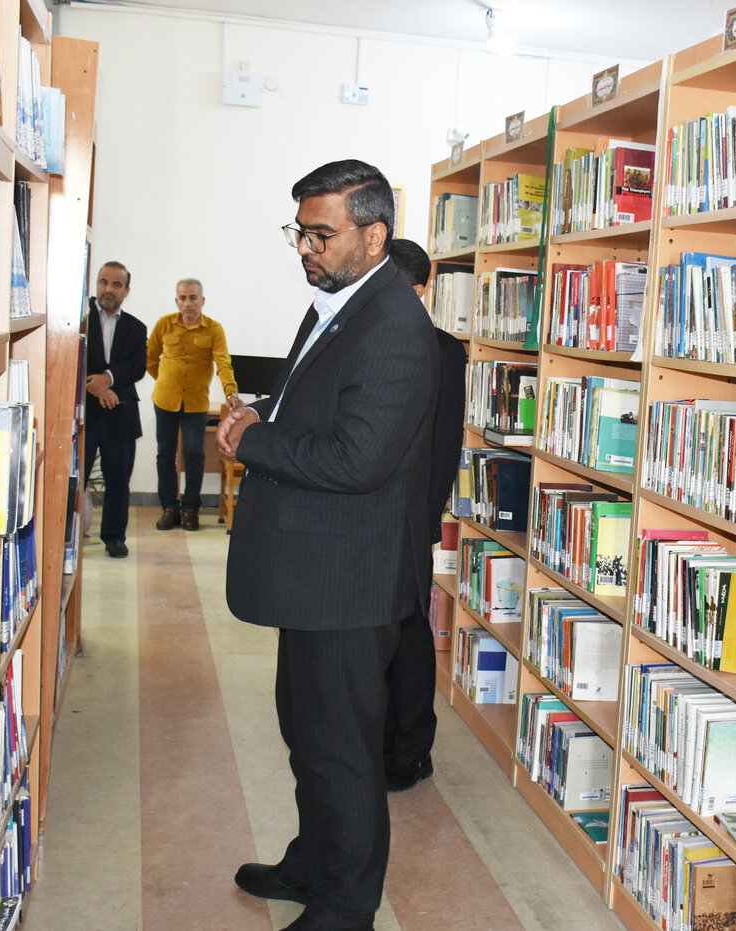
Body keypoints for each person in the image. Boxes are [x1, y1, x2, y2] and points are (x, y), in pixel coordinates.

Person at [217, 159, 438, 931]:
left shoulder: (395, 327)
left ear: (373, 236)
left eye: (322, 233)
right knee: (306, 733)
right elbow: (315, 401)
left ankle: (346, 907)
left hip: (350, 581)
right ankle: (312, 863)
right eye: (300, 232)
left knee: (341, 751)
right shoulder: (341, 303)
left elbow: (357, 458)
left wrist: (255, 439)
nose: (305, 248)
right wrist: (261, 409)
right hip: (316, 573)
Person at [381, 238, 467, 792]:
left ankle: (410, 750)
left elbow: (444, 443)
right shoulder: (366, 338)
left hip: (409, 517)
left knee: (409, 630)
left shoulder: (443, 350)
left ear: (417, 289)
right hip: (365, 515)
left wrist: (426, 517)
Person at [146, 278, 241, 532]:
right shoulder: (164, 324)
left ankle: (190, 509)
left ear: (202, 301)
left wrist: (231, 391)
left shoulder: (214, 329)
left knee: (194, 454)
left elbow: (223, 363)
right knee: (165, 455)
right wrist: (165, 381)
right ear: (177, 301)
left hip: (196, 404)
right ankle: (169, 508)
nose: (188, 303)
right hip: (165, 400)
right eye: (183, 298)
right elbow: (150, 358)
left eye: (193, 298)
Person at [83, 261, 147, 559]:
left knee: (119, 482)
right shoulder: (79, 320)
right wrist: (96, 387)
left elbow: (137, 367)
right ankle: (65, 537)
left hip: (120, 413)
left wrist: (107, 380)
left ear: (126, 291)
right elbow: (70, 355)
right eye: (103, 282)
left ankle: (114, 538)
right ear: (96, 285)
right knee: (74, 480)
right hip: (84, 415)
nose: (108, 289)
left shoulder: (136, 327)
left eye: (116, 284)